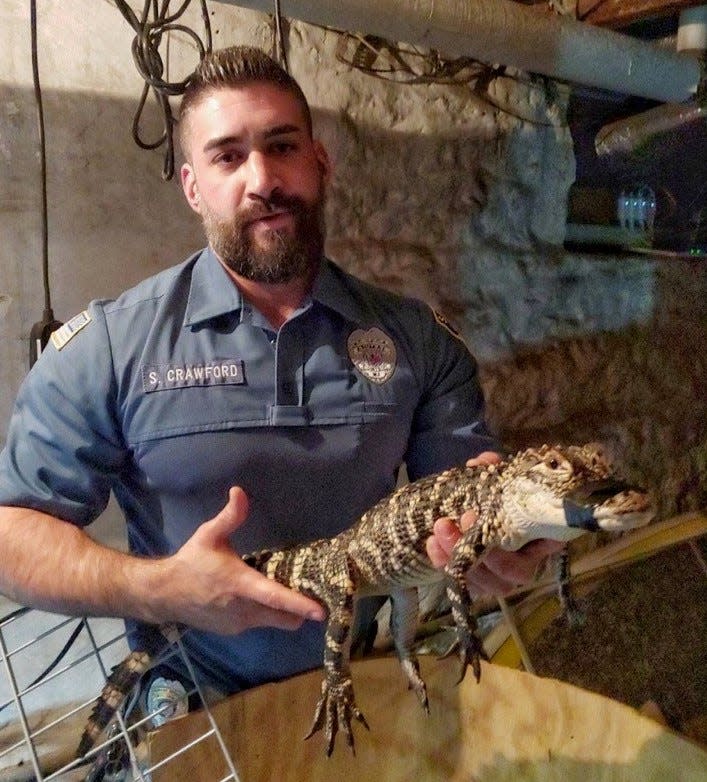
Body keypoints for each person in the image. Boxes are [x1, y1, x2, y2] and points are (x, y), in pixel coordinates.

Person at [0, 46, 558, 696]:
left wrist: (493, 540)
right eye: (228, 156)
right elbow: (12, 541)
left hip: (360, 692)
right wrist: (161, 590)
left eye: (282, 146)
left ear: (318, 163)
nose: (261, 177)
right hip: (190, 715)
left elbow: (465, 491)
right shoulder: (112, 348)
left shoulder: (416, 342)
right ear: (192, 187)